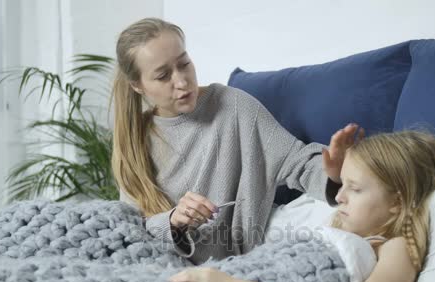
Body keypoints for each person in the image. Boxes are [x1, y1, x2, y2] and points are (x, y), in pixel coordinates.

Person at [111, 17, 362, 264]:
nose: (181, 80)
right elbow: (132, 227)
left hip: (250, 250)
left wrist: (336, 173)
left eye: (184, 63)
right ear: (138, 86)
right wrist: (174, 220)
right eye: (163, 75)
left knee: (346, 215)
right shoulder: (136, 139)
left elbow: (297, 163)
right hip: (174, 264)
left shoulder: (233, 105)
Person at [168, 130, 435, 282]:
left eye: (355, 188)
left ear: (397, 202)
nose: (340, 197)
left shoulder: (395, 246)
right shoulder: (339, 225)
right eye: (342, 184)